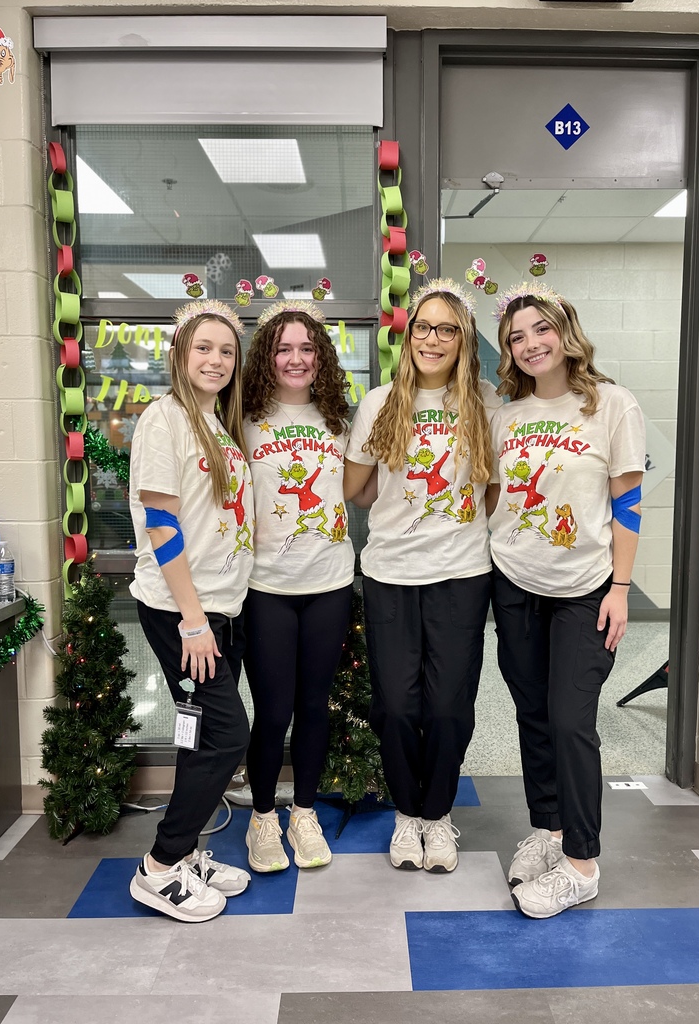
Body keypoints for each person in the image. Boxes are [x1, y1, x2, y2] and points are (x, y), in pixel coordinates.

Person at [488, 281, 645, 919]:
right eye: (516, 337)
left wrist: (622, 587)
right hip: (515, 580)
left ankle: (582, 862)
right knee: (533, 712)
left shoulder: (612, 405)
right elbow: (497, 494)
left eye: (541, 330)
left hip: (586, 589)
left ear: (566, 331)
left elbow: (629, 502)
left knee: (572, 718)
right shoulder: (504, 413)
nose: (531, 345)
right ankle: (548, 829)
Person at [344, 279, 502, 873]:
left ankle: (438, 815)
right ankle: (407, 815)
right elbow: (357, 490)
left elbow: (492, 493)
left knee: (448, 707)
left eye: (447, 329)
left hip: (462, 575)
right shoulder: (378, 404)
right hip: (389, 574)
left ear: (464, 340)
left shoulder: (485, 403)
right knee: (397, 705)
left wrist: (450, 526)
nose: (432, 339)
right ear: (407, 337)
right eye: (423, 328)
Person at [128, 298, 254, 923]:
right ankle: (158, 867)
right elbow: (161, 526)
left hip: (218, 610)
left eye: (226, 350)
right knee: (229, 735)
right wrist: (194, 622)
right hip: (185, 614)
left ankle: (185, 855)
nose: (216, 360)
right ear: (180, 353)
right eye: (203, 347)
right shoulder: (165, 420)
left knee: (199, 732)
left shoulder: (218, 424)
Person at [240, 299, 354, 872]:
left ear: (321, 357)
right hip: (266, 588)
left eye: (307, 348)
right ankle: (263, 818)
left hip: (330, 583)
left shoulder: (339, 420)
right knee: (273, 708)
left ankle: (303, 813)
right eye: (284, 348)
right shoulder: (244, 419)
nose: (296, 358)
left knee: (315, 706)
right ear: (267, 356)